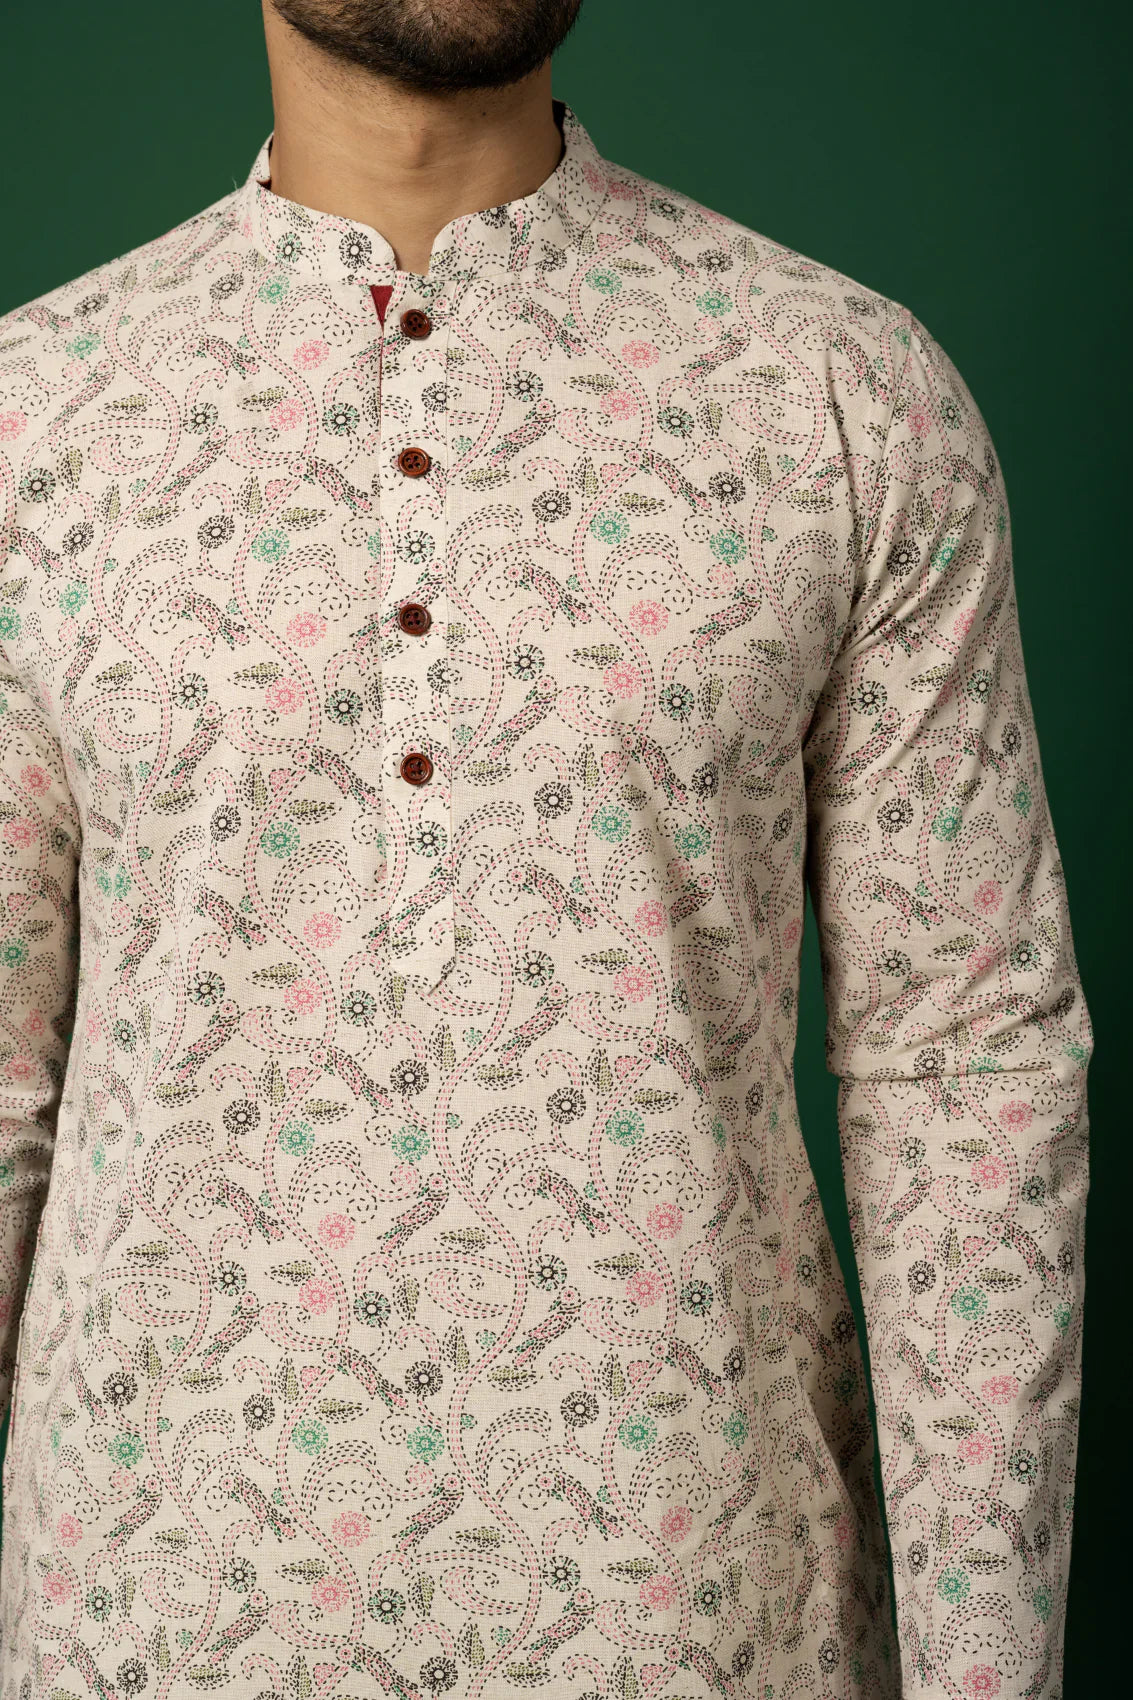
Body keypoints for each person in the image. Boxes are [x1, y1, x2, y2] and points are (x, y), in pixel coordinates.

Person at [0, 2, 1092, 1696]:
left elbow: (963, 1069)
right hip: (140, 1626)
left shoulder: (836, 390)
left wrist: (984, 1673)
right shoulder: (38, 419)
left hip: (709, 1617)